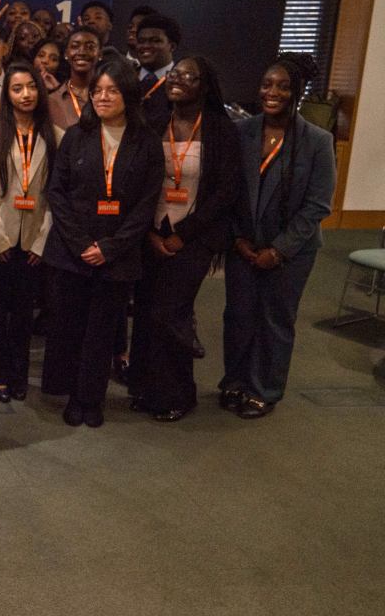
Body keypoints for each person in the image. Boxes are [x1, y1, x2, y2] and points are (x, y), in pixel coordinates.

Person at [41, 60, 163, 428]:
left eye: (112, 91)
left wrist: (110, 247)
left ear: (129, 95)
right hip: (72, 251)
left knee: (102, 331)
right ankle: (70, 394)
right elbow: (57, 193)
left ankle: (90, 399)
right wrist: (81, 243)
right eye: (97, 91)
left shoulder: (147, 143)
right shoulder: (77, 135)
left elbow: (146, 204)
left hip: (118, 255)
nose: (103, 97)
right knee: (70, 327)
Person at [125, 56, 240, 422]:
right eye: (174, 76)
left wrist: (182, 236)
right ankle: (143, 387)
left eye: (187, 77)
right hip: (150, 233)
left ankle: (177, 393)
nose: (177, 81)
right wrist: (148, 231)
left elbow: (226, 192)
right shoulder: (155, 122)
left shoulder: (222, 130)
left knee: (170, 314)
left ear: (204, 86)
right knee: (145, 312)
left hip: (195, 238)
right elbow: (139, 180)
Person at [221, 53, 335, 419]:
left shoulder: (318, 141)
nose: (273, 92)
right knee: (238, 315)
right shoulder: (243, 132)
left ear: (297, 92)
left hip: (292, 251)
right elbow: (229, 191)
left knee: (274, 319)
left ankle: (263, 389)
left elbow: (318, 205)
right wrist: (238, 238)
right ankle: (235, 380)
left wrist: (279, 250)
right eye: (267, 84)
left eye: (283, 86)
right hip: (243, 245)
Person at [0, 61, 62, 402]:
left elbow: (58, 195)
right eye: (17, 88)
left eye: (31, 87)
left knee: (24, 314)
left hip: (34, 241)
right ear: (7, 95)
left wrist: (42, 242)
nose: (26, 94)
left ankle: (17, 375)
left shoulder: (57, 136)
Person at [47, 26, 101, 129]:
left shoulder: (108, 97)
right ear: (66, 54)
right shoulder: (51, 101)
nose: (82, 52)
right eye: (75, 46)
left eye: (90, 47)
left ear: (100, 54)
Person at [134, 13, 181, 126]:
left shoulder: (182, 82)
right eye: (141, 41)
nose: (146, 46)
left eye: (155, 41)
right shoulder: (124, 77)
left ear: (172, 46)